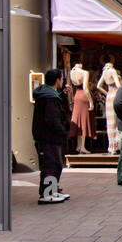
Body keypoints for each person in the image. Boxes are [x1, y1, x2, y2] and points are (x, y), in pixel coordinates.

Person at [31, 69, 71, 203]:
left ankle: (52, 191)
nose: (63, 81)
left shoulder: (49, 94)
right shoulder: (49, 97)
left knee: (55, 164)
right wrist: (62, 131)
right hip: (48, 137)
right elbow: (52, 119)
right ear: (57, 80)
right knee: (50, 165)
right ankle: (47, 194)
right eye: (61, 78)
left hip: (49, 137)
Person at [96, 56, 121, 154]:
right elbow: (118, 85)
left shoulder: (104, 71)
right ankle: (117, 145)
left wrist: (107, 93)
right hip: (115, 94)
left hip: (109, 95)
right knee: (117, 120)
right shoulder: (112, 71)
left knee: (110, 121)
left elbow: (98, 86)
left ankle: (112, 146)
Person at [68, 62, 94, 154]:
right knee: (83, 121)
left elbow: (70, 87)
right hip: (83, 96)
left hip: (76, 96)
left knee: (78, 121)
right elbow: (86, 88)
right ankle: (82, 146)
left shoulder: (71, 72)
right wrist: (91, 102)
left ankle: (79, 146)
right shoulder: (84, 72)